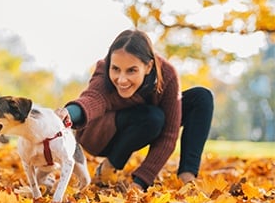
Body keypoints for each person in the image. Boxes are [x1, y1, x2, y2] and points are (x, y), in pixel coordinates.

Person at [55, 29, 214, 191]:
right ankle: (109, 167)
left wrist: (141, 181)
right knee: (153, 116)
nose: (122, 79)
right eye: (116, 69)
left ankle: (187, 176)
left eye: (131, 70)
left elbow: (169, 136)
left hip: (148, 121)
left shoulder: (167, 74)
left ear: (148, 66)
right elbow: (93, 98)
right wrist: (69, 113)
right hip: (101, 136)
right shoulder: (104, 70)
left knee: (201, 97)